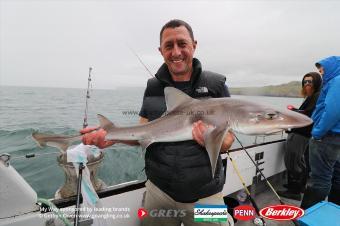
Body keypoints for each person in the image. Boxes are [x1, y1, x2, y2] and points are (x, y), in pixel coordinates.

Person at [82, 19, 235, 226]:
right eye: (169, 45)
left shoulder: (215, 85)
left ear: (194, 45)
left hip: (205, 195)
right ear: (160, 50)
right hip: (159, 192)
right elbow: (143, 133)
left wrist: (211, 139)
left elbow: (229, 141)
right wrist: (113, 137)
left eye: (182, 44)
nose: (176, 52)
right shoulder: (153, 87)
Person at [300, 56, 340, 209]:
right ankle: (334, 211)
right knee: (336, 176)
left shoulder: (337, 81)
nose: (321, 74)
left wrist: (317, 132)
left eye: (323, 71)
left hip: (327, 137)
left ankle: (306, 216)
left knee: (319, 179)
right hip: (336, 137)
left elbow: (333, 111)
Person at [277, 72, 321, 201]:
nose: (307, 84)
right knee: (299, 161)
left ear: (317, 83)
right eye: (305, 82)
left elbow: (308, 114)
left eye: (310, 82)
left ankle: (294, 191)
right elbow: (306, 112)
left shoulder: (316, 96)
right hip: (302, 133)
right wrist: (296, 110)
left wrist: (292, 111)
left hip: (301, 134)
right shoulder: (312, 96)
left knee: (292, 161)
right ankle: (299, 186)